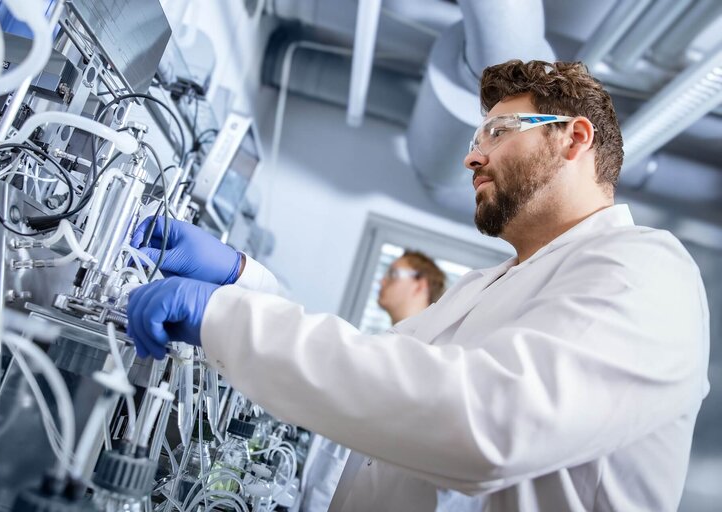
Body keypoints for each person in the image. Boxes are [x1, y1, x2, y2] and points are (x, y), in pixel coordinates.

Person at [126, 60, 710, 511]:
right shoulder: (491, 283)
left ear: (574, 138)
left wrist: (226, 317)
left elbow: (487, 423)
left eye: (496, 132)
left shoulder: (647, 271)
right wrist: (242, 280)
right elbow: (382, 380)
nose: (470, 157)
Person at [300, 251, 448, 512]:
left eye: (392, 274)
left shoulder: (417, 356)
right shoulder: (385, 343)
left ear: (420, 285)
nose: (381, 282)